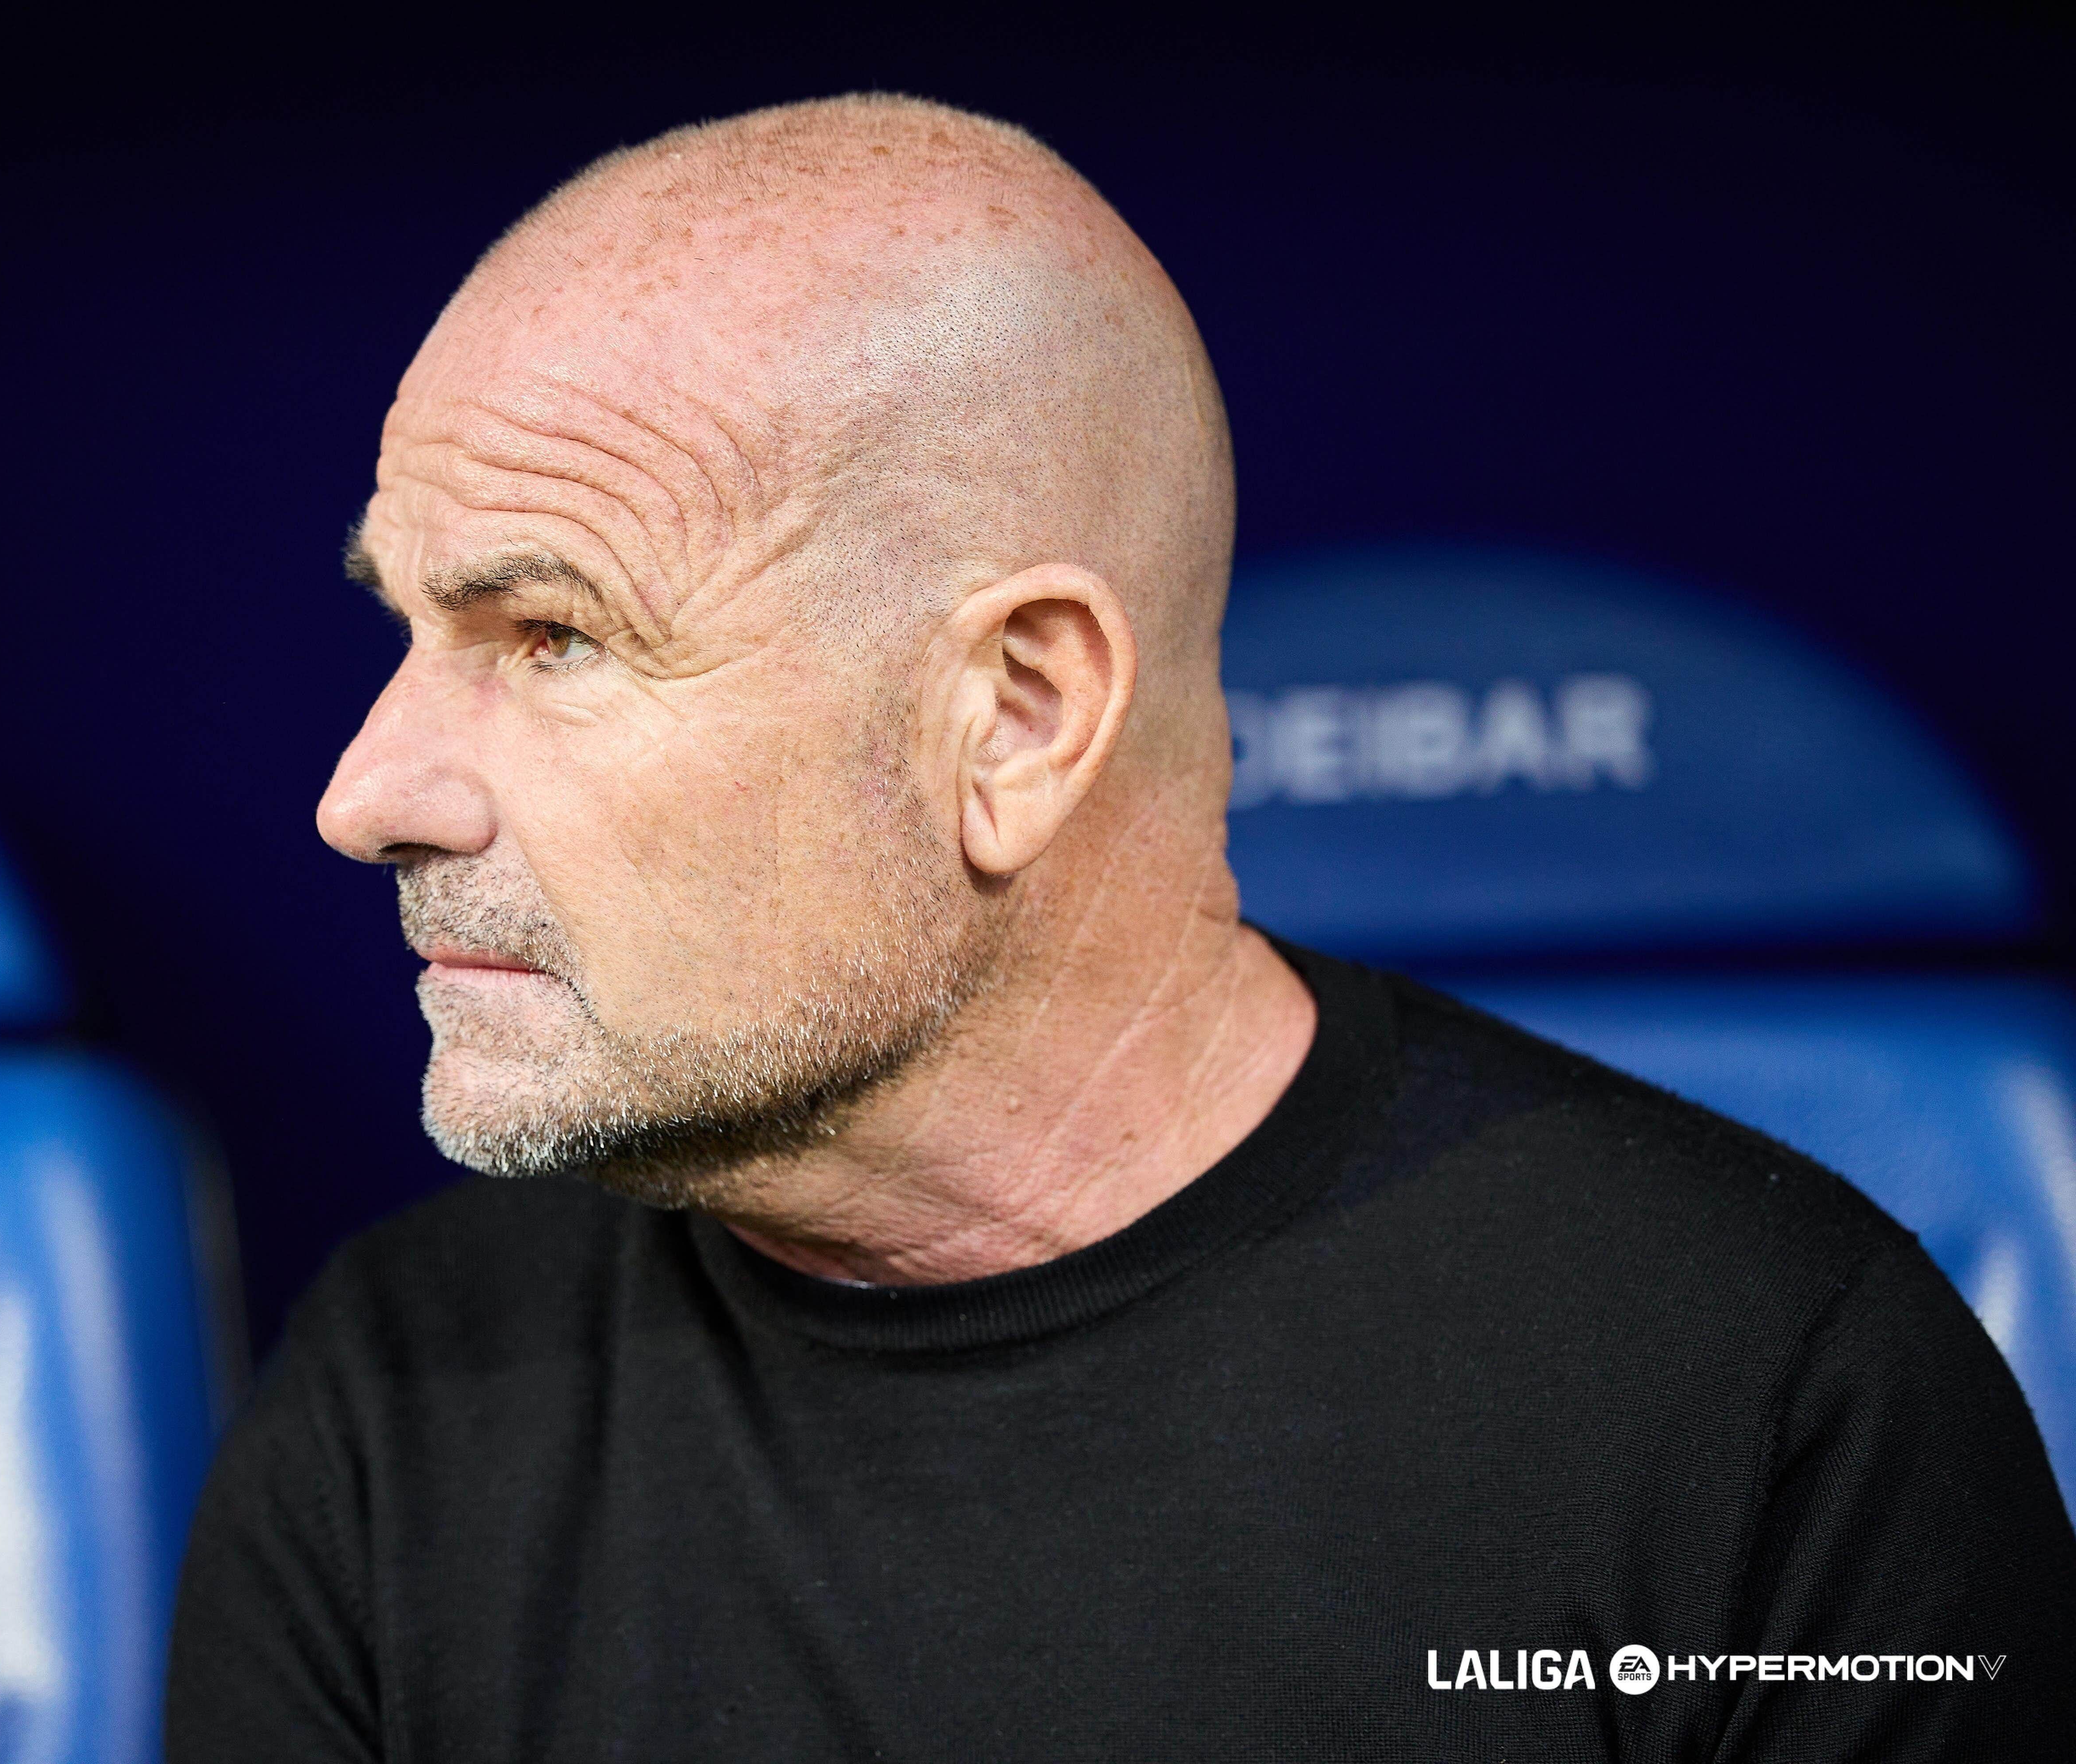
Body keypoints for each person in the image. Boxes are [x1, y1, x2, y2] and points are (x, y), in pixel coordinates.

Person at [168, 94, 2076, 1759]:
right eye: (407, 630)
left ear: (1018, 716)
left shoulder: (1770, 1401)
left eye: (555, 636)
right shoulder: (395, 1400)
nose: (365, 792)